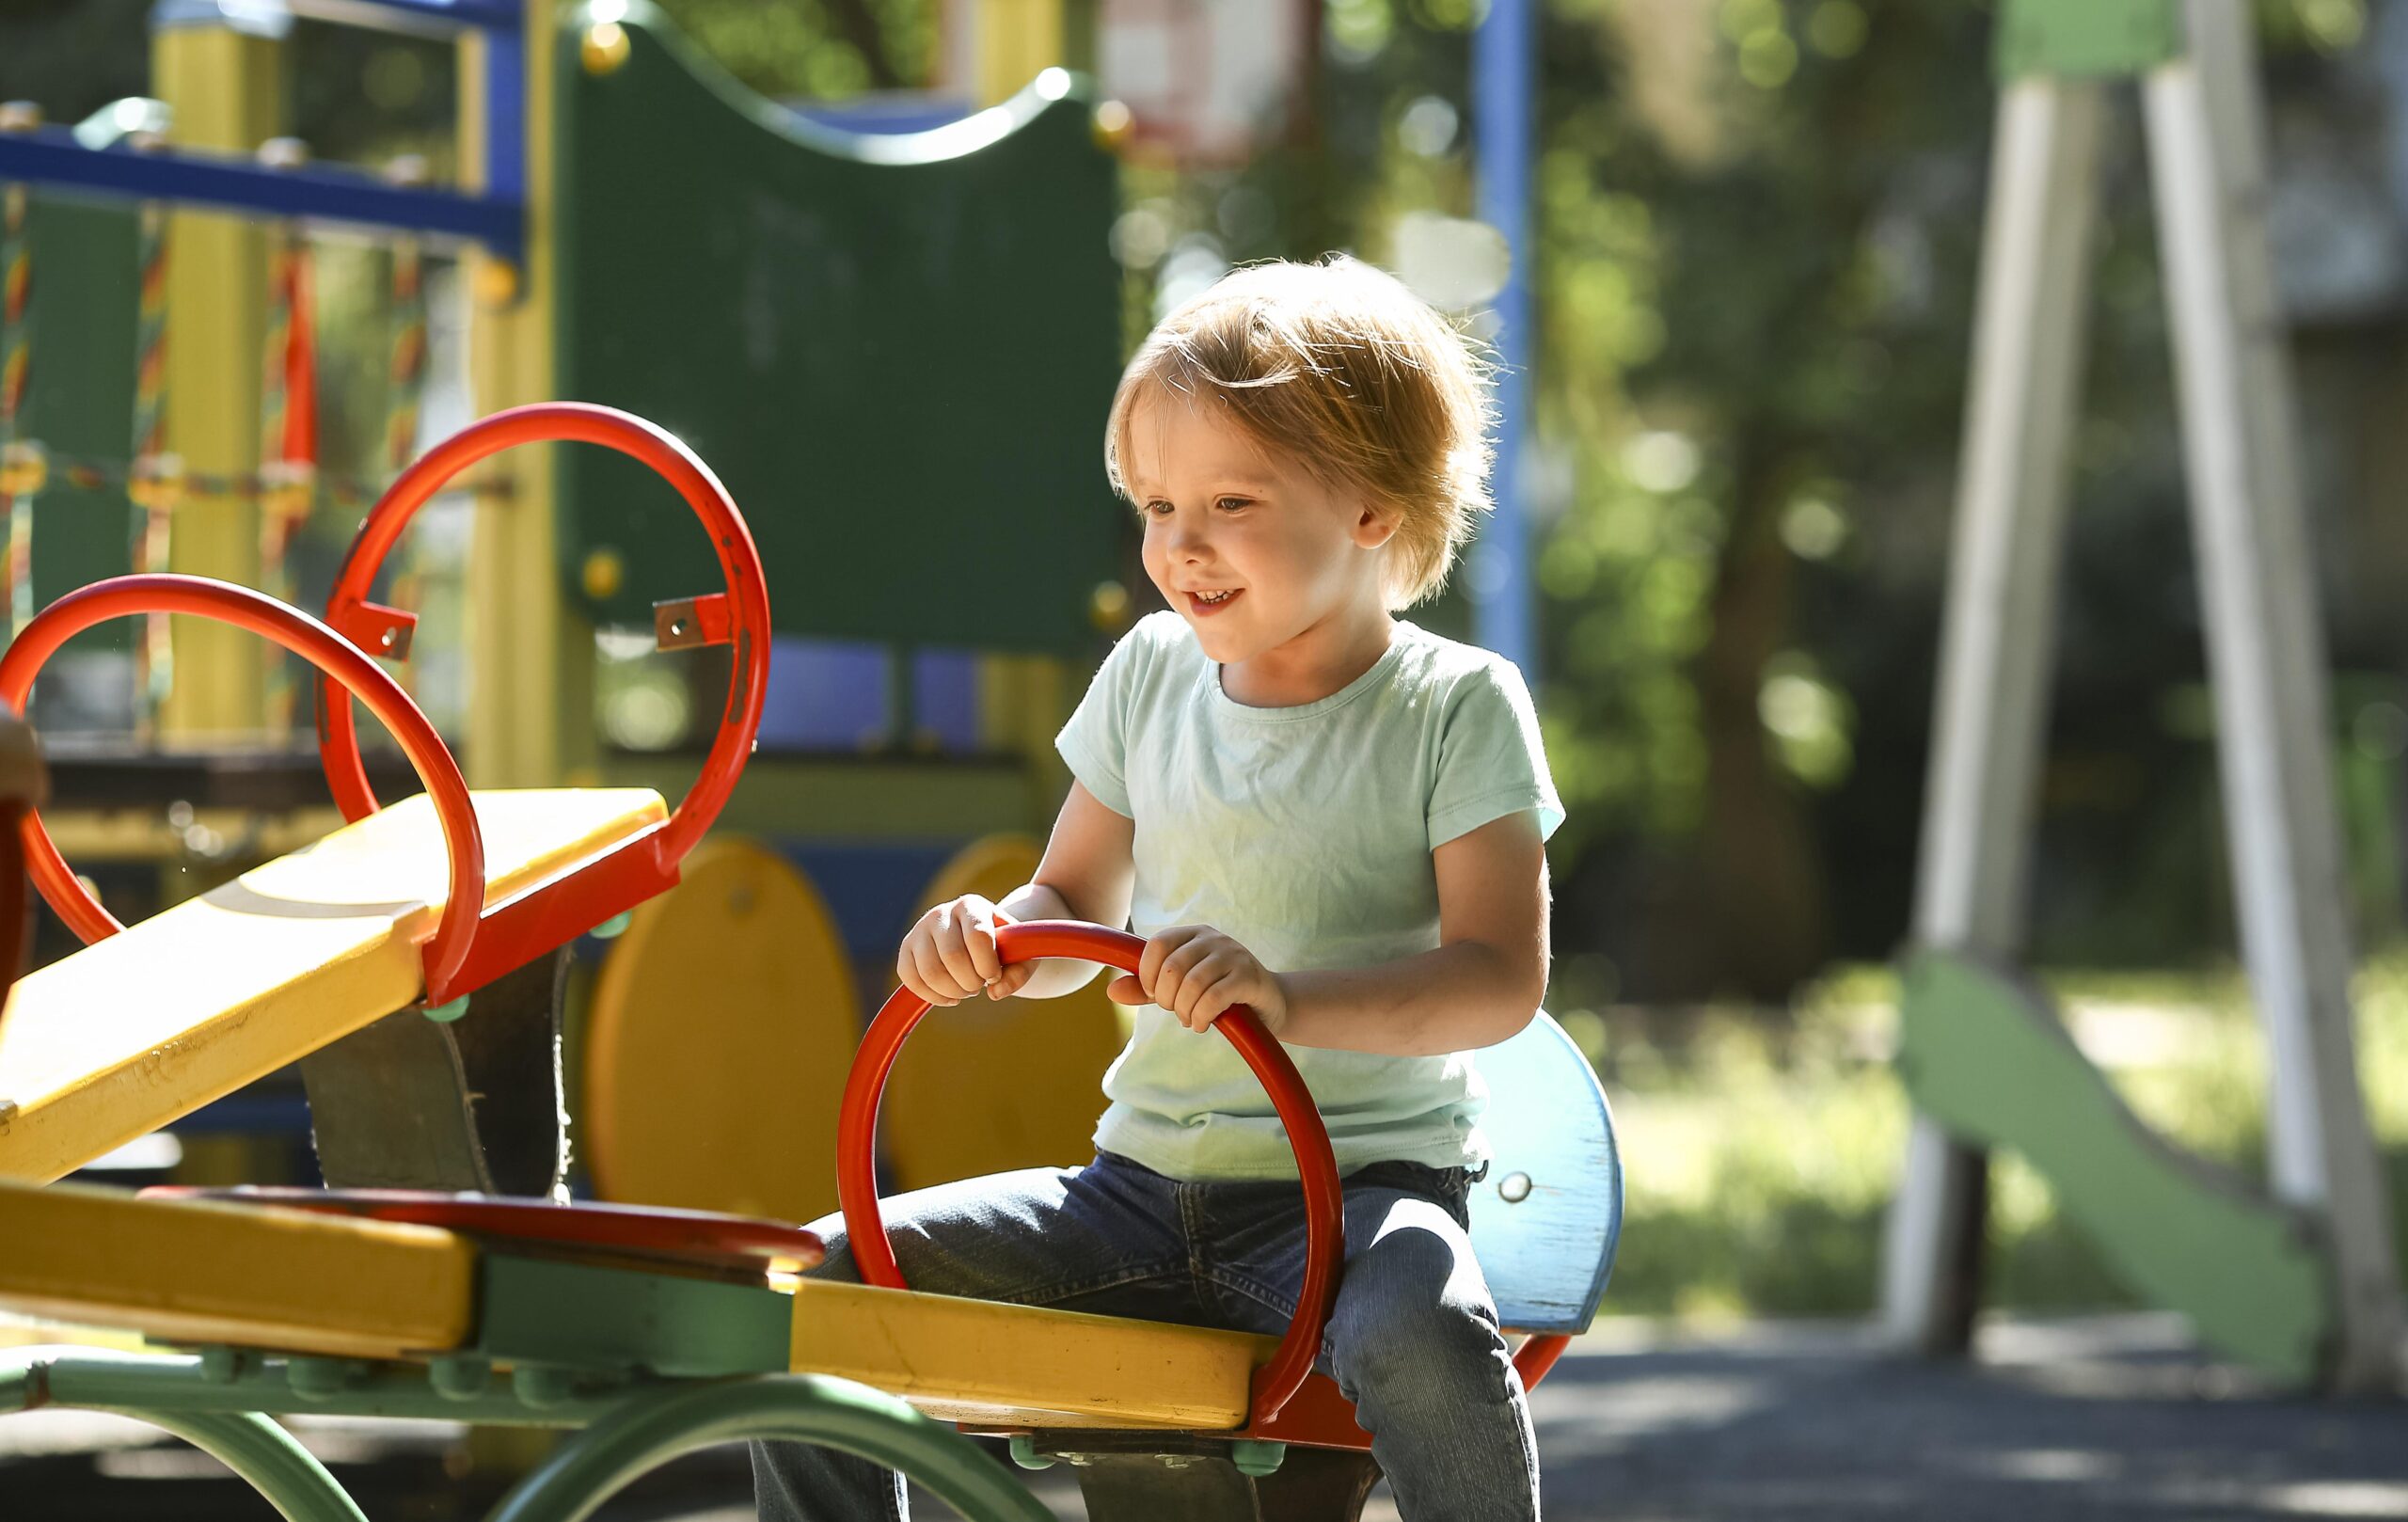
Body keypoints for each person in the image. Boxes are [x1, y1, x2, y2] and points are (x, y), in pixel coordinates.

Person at [753, 255, 1561, 1520]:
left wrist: (1281, 998)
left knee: (1423, 1326)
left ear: (1371, 508)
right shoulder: (1147, 675)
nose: (1181, 546)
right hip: (1133, 1193)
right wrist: (996, 938)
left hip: (1351, 1196)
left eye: (1231, 501)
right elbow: (1070, 904)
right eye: (1156, 505)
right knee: (823, 1278)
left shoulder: (1453, 706)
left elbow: (1499, 980)